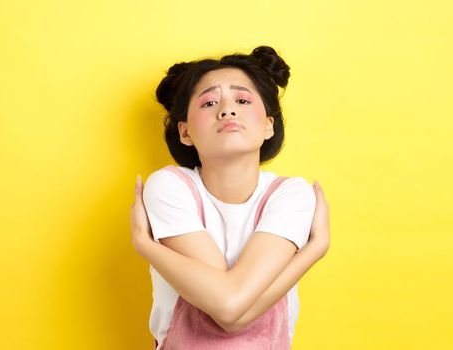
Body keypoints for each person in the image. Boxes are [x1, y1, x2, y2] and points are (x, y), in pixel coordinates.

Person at [128, 46, 331, 349]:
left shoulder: (291, 194)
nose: (227, 110)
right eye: (209, 102)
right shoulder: (169, 186)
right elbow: (227, 310)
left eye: (242, 100)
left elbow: (230, 306)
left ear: (268, 125)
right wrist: (312, 251)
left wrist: (146, 246)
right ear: (185, 132)